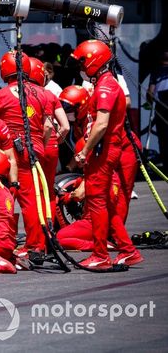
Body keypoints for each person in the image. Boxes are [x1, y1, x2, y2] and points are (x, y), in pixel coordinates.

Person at [70, 40, 142, 269]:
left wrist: (84, 151)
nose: (80, 66)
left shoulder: (105, 87)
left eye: (82, 61)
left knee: (97, 202)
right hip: (106, 150)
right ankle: (127, 251)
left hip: (103, 151)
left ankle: (101, 255)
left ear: (93, 61)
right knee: (103, 204)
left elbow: (101, 125)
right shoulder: (106, 83)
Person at [0, 51, 53, 264]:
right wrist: (40, 147)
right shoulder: (41, 93)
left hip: (11, 154)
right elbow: (48, 126)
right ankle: (37, 245)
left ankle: (7, 244)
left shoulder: (0, 96)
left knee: (6, 200)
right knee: (34, 201)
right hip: (37, 150)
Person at [29, 57, 70, 204]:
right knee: (49, 190)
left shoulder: (22, 95)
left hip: (33, 143)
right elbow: (65, 126)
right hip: (51, 142)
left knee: (34, 192)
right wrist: (53, 142)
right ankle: (50, 225)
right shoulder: (50, 94)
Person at [147, 50, 168, 167]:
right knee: (163, 136)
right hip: (162, 104)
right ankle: (166, 163)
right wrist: (150, 101)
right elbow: (150, 92)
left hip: (162, 104)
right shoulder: (156, 71)